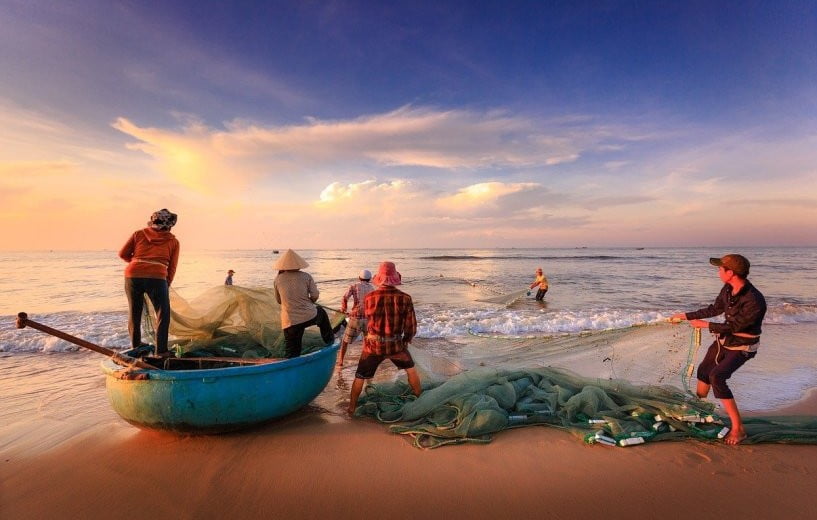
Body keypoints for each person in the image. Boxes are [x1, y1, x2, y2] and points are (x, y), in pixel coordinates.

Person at [671, 254, 766, 445]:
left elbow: (735, 327)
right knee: (704, 372)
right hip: (724, 340)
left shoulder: (754, 300)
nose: (718, 271)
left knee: (717, 377)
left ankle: (738, 429)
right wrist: (686, 316)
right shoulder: (728, 288)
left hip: (743, 346)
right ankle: (698, 411)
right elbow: (715, 309)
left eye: (720, 268)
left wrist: (705, 326)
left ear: (730, 273)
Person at [348, 261, 421, 414]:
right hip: (396, 345)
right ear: (395, 278)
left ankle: (351, 409)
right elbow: (411, 327)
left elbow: (367, 322)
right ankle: (419, 401)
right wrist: (406, 340)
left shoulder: (369, 298)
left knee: (360, 376)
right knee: (411, 371)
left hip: (372, 346)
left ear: (379, 279)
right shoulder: (405, 298)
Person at [118, 209, 180, 357]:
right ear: (170, 225)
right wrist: (167, 282)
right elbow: (172, 266)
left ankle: (136, 346)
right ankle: (161, 351)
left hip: (132, 275)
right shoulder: (173, 241)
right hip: (157, 277)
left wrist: (137, 263)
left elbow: (122, 254)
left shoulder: (138, 234)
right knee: (162, 313)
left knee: (134, 312)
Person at [273, 249, 334, 358]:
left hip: (289, 321)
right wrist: (310, 301)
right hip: (308, 316)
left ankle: (291, 369)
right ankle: (329, 341)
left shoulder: (277, 279)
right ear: (298, 265)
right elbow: (315, 295)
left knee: (291, 351)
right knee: (321, 313)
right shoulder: (306, 276)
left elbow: (279, 301)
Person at [337, 269, 375, 366]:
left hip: (356, 318)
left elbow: (345, 297)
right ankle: (365, 359)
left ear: (359, 278)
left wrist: (344, 309)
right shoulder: (372, 289)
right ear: (370, 279)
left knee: (345, 340)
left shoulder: (354, 286)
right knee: (366, 341)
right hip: (368, 319)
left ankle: (341, 361)